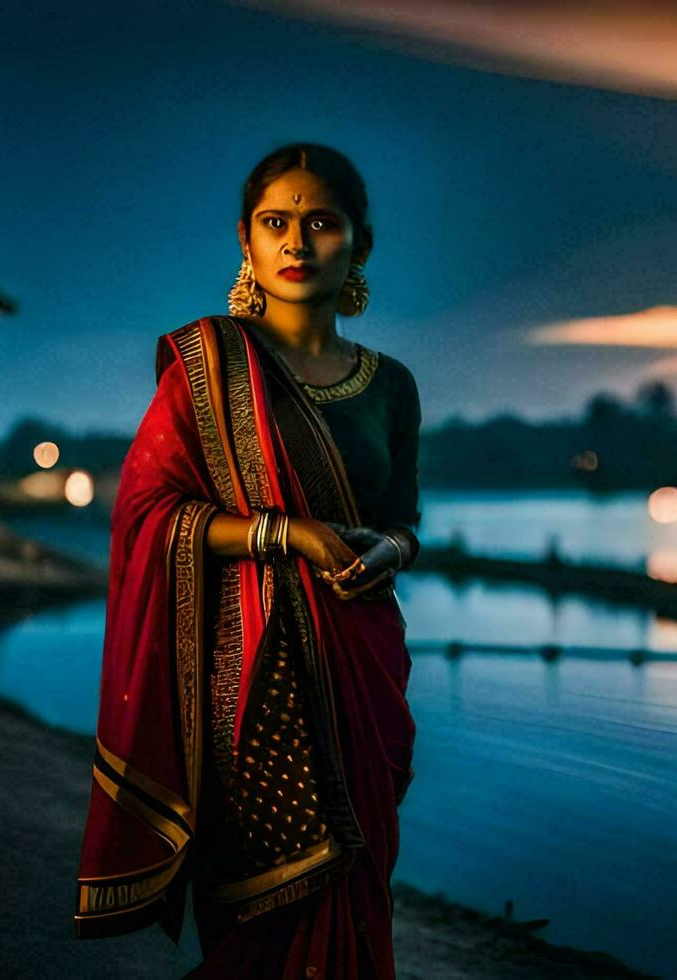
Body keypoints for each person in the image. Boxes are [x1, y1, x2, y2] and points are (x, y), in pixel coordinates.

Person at [74, 142, 422, 980]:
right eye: (277, 223)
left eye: (321, 223)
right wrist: (291, 535)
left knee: (357, 893)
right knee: (264, 921)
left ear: (360, 246)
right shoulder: (208, 370)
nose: (297, 242)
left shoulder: (391, 384)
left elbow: (406, 521)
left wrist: (389, 549)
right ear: (247, 241)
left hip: (361, 671)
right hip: (250, 683)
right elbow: (148, 516)